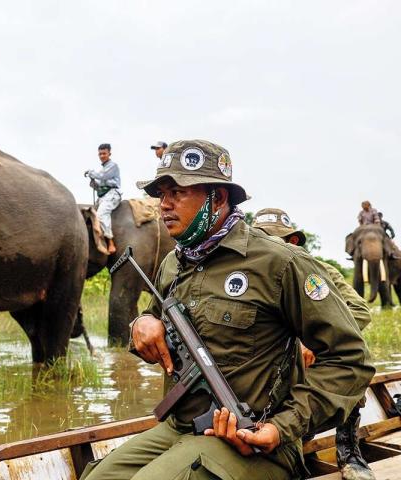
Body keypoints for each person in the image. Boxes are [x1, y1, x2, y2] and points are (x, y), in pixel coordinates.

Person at [81, 140, 373, 480]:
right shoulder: (173, 263)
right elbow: (155, 320)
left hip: (255, 439)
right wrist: (142, 323)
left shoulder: (279, 263)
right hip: (179, 427)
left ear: (218, 198)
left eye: (177, 192)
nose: (164, 204)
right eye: (161, 193)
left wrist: (281, 427)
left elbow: (350, 359)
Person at [252, 208, 375, 480]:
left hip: (307, 363)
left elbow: (359, 310)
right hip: (269, 370)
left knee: (349, 356)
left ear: (292, 242)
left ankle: (348, 451)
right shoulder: (246, 278)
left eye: (273, 239)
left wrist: (308, 341)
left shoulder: (318, 271)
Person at [85, 143, 121, 254]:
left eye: (104, 153)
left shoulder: (113, 166)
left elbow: (102, 176)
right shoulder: (103, 169)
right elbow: (99, 184)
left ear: (109, 153)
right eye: (100, 154)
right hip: (102, 196)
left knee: (101, 214)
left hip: (112, 194)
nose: (102, 156)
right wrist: (93, 183)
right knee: (92, 213)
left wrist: (90, 173)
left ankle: (110, 242)